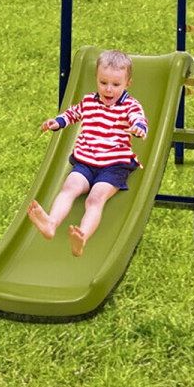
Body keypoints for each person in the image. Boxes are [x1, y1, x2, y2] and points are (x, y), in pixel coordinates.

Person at [28, 50, 147, 255]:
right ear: (96, 79)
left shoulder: (130, 106)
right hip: (86, 161)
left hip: (113, 166)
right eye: (103, 83)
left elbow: (138, 119)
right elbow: (73, 113)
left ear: (127, 84)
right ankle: (51, 223)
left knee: (95, 198)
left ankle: (81, 236)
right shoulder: (89, 102)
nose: (108, 89)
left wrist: (138, 127)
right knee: (69, 187)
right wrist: (57, 122)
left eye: (116, 85)